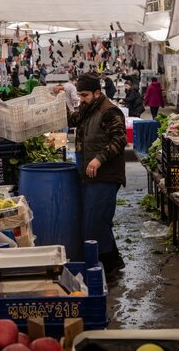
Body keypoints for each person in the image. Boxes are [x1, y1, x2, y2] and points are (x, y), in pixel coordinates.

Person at [66, 73, 127, 276]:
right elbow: (72, 119)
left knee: (95, 222)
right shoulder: (87, 108)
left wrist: (99, 158)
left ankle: (105, 268)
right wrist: (55, 103)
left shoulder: (110, 112)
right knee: (97, 220)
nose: (81, 99)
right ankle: (113, 261)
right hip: (89, 174)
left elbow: (119, 140)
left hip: (106, 175)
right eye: (79, 95)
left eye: (84, 95)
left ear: (97, 93)